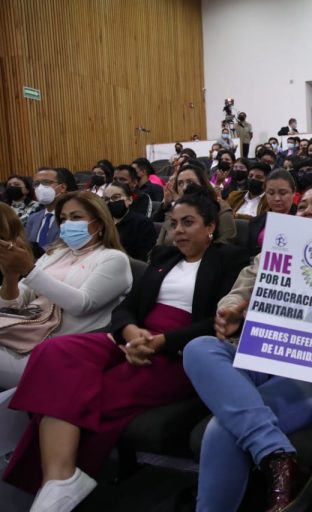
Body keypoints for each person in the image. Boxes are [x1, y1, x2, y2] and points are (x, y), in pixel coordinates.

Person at [3, 187, 249, 509]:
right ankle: (60, 478)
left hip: (182, 350)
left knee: (91, 391)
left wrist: (161, 342)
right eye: (173, 223)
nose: (178, 231)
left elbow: (217, 322)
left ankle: (54, 487)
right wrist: (132, 333)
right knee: (55, 353)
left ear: (211, 226)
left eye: (188, 223)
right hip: (132, 336)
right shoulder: (163, 258)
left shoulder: (229, 259)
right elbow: (126, 309)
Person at [183, 183, 312, 512]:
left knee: (223, 429)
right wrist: (232, 310)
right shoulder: (272, 254)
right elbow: (236, 294)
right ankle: (277, 455)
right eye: (303, 206)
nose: (308, 210)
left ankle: (268, 456)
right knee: (199, 348)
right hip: (262, 356)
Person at [0, 191, 132, 389]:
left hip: (60, 351)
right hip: (21, 336)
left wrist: (29, 269)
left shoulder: (113, 259)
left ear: (100, 223)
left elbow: (81, 304)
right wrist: (11, 276)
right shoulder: (56, 253)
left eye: (76, 217)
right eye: (63, 219)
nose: (67, 224)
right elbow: (14, 304)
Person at [154, 162, 237, 246]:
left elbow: (225, 245)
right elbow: (159, 245)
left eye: (190, 182)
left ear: (203, 184)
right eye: (180, 183)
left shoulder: (221, 208)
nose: (184, 187)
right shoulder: (175, 210)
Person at [246, 170, 298, 256]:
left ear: (293, 192)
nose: (277, 198)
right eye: (271, 193)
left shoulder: (305, 221)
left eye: (283, 193)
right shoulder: (255, 222)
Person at [103, 182, 157, 261]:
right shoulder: (102, 223)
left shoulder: (142, 223)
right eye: (107, 199)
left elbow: (143, 257)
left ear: (129, 200)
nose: (111, 202)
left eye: (116, 197)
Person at [25, 167, 74, 252]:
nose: (40, 188)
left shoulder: (73, 216)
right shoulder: (33, 218)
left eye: (46, 183)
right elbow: (27, 247)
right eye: (36, 184)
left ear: (62, 187)